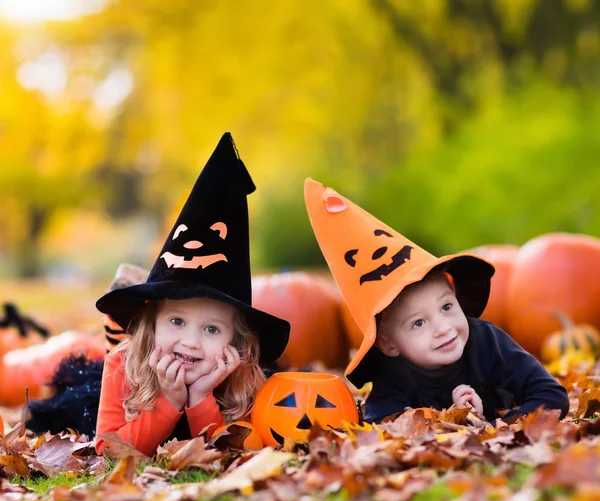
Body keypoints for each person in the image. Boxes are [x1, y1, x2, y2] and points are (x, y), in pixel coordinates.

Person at [303, 178, 569, 424]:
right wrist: (451, 419)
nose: (442, 327)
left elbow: (552, 395)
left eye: (446, 307)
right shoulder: (393, 373)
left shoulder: (488, 343)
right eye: (418, 323)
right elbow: (382, 421)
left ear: (456, 296)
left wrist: (495, 424)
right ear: (387, 344)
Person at [95, 134, 290, 456]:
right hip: (131, 366)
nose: (191, 342)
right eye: (176, 321)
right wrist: (168, 402)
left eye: (212, 329)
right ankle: (114, 326)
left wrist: (200, 397)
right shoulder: (121, 365)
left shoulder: (241, 375)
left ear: (236, 342)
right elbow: (108, 450)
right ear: (153, 321)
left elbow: (228, 449)